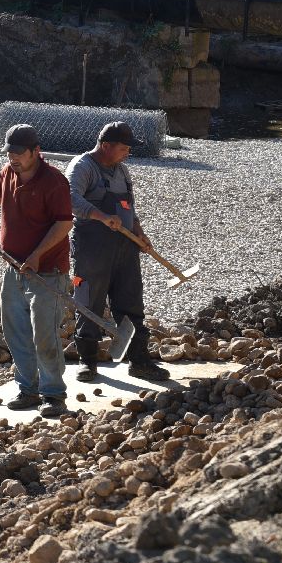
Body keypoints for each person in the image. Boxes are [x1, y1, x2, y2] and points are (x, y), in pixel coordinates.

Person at [0, 124, 74, 418]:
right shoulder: (8, 172)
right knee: (16, 331)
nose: (14, 159)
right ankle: (28, 390)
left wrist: (36, 256)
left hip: (46, 272)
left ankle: (54, 395)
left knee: (44, 334)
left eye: (20, 154)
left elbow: (64, 224)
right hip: (13, 266)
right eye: (10, 153)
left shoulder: (54, 182)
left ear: (37, 151)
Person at [66, 122, 170, 382]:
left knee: (131, 302)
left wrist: (139, 234)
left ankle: (139, 361)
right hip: (92, 247)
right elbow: (69, 199)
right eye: (123, 148)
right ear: (105, 146)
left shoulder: (122, 171)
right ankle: (87, 362)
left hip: (125, 248)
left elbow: (129, 208)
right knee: (89, 301)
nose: (127, 153)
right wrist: (101, 216)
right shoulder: (82, 167)